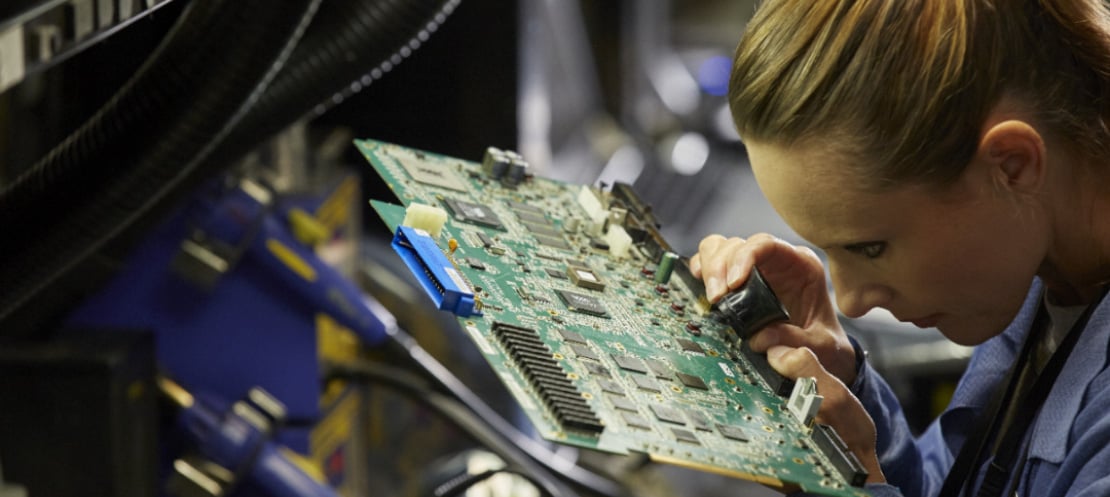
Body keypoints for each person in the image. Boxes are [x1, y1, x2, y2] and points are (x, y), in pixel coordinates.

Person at [690, 1, 1110, 496]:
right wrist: (846, 400)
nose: (848, 302)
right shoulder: (1041, 272)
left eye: (869, 248)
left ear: (1012, 166)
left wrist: (849, 485)